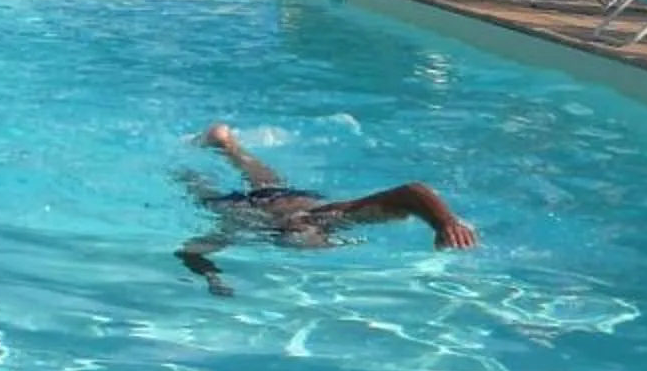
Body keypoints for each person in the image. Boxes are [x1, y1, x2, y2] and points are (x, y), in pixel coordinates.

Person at [176, 122, 477, 296]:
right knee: (204, 190)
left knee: (263, 181)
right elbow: (191, 251)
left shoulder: (334, 215)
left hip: (284, 199)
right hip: (250, 205)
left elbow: (413, 191)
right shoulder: (248, 226)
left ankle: (225, 145)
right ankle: (197, 162)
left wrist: (445, 222)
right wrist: (213, 278)